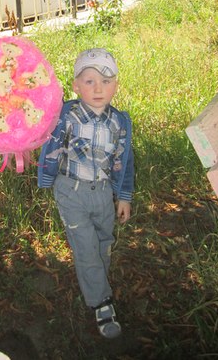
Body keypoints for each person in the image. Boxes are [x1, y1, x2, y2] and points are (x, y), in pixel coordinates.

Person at [38, 48, 134, 338]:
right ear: (76, 86)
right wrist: (46, 176)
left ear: (116, 85)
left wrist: (124, 196)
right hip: (71, 191)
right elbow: (47, 139)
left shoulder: (119, 123)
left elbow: (124, 161)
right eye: (89, 81)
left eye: (106, 81)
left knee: (104, 241)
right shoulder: (66, 116)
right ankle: (101, 302)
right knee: (86, 247)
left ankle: (95, 277)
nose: (98, 89)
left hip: (102, 193)